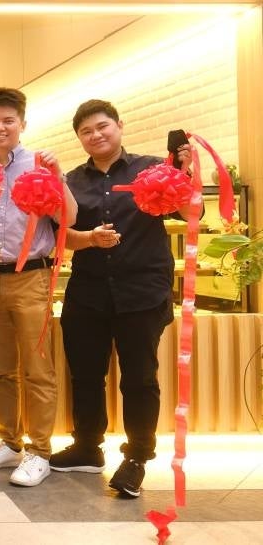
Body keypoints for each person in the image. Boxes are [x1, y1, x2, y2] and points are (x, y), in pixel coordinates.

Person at [49, 99, 191, 498]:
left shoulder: (152, 169)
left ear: (119, 126)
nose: (95, 135)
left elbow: (185, 209)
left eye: (102, 127)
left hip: (142, 292)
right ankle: (87, 446)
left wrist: (185, 172)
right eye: (86, 131)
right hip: (88, 293)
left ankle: (137, 457)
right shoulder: (73, 180)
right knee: (86, 374)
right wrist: (90, 240)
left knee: (140, 378)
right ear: (79, 138)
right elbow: (62, 234)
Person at [0, 87, 77, 487]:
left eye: (8, 121)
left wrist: (58, 177)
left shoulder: (39, 164)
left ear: (22, 125)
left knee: (37, 369)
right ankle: (9, 443)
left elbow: (68, 216)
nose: (0, 127)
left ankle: (40, 451)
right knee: (1, 370)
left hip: (33, 276)